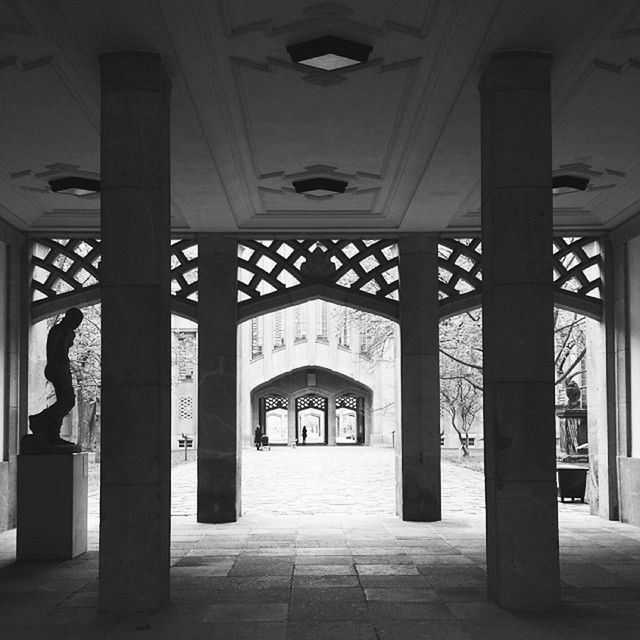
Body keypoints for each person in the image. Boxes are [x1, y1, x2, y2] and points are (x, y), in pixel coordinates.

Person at [28, 308, 84, 447]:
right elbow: (51, 352)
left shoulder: (66, 331)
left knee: (67, 400)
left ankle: (49, 429)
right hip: (58, 368)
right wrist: (55, 368)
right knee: (67, 400)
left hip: (63, 368)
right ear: (70, 318)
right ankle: (45, 425)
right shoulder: (58, 331)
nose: (77, 325)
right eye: (77, 321)